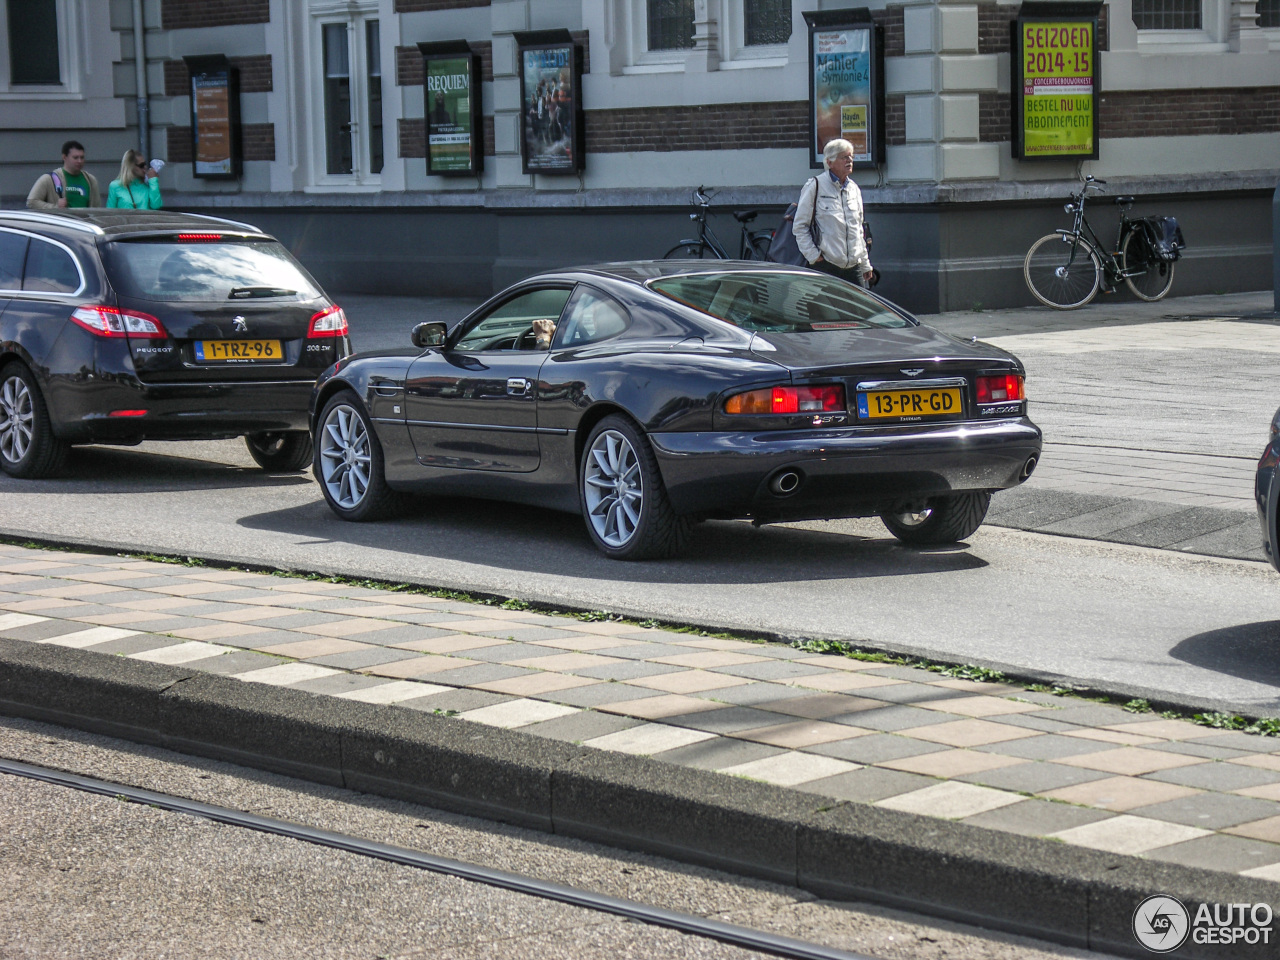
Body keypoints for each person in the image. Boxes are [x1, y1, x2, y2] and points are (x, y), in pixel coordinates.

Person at [792, 138, 874, 287]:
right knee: (827, 310)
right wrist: (813, 256)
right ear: (829, 163)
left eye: (851, 156)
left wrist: (865, 264)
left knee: (857, 310)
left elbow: (859, 230)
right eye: (844, 157)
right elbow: (800, 226)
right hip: (827, 265)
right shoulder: (815, 186)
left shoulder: (854, 189)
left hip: (853, 267)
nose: (849, 160)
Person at [27, 140, 101, 209]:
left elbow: (96, 208)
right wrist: (55, 207)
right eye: (75, 158)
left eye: (82, 157)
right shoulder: (50, 179)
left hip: (82, 222)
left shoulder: (90, 180)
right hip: (61, 222)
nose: (79, 161)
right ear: (64, 157)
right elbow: (31, 202)